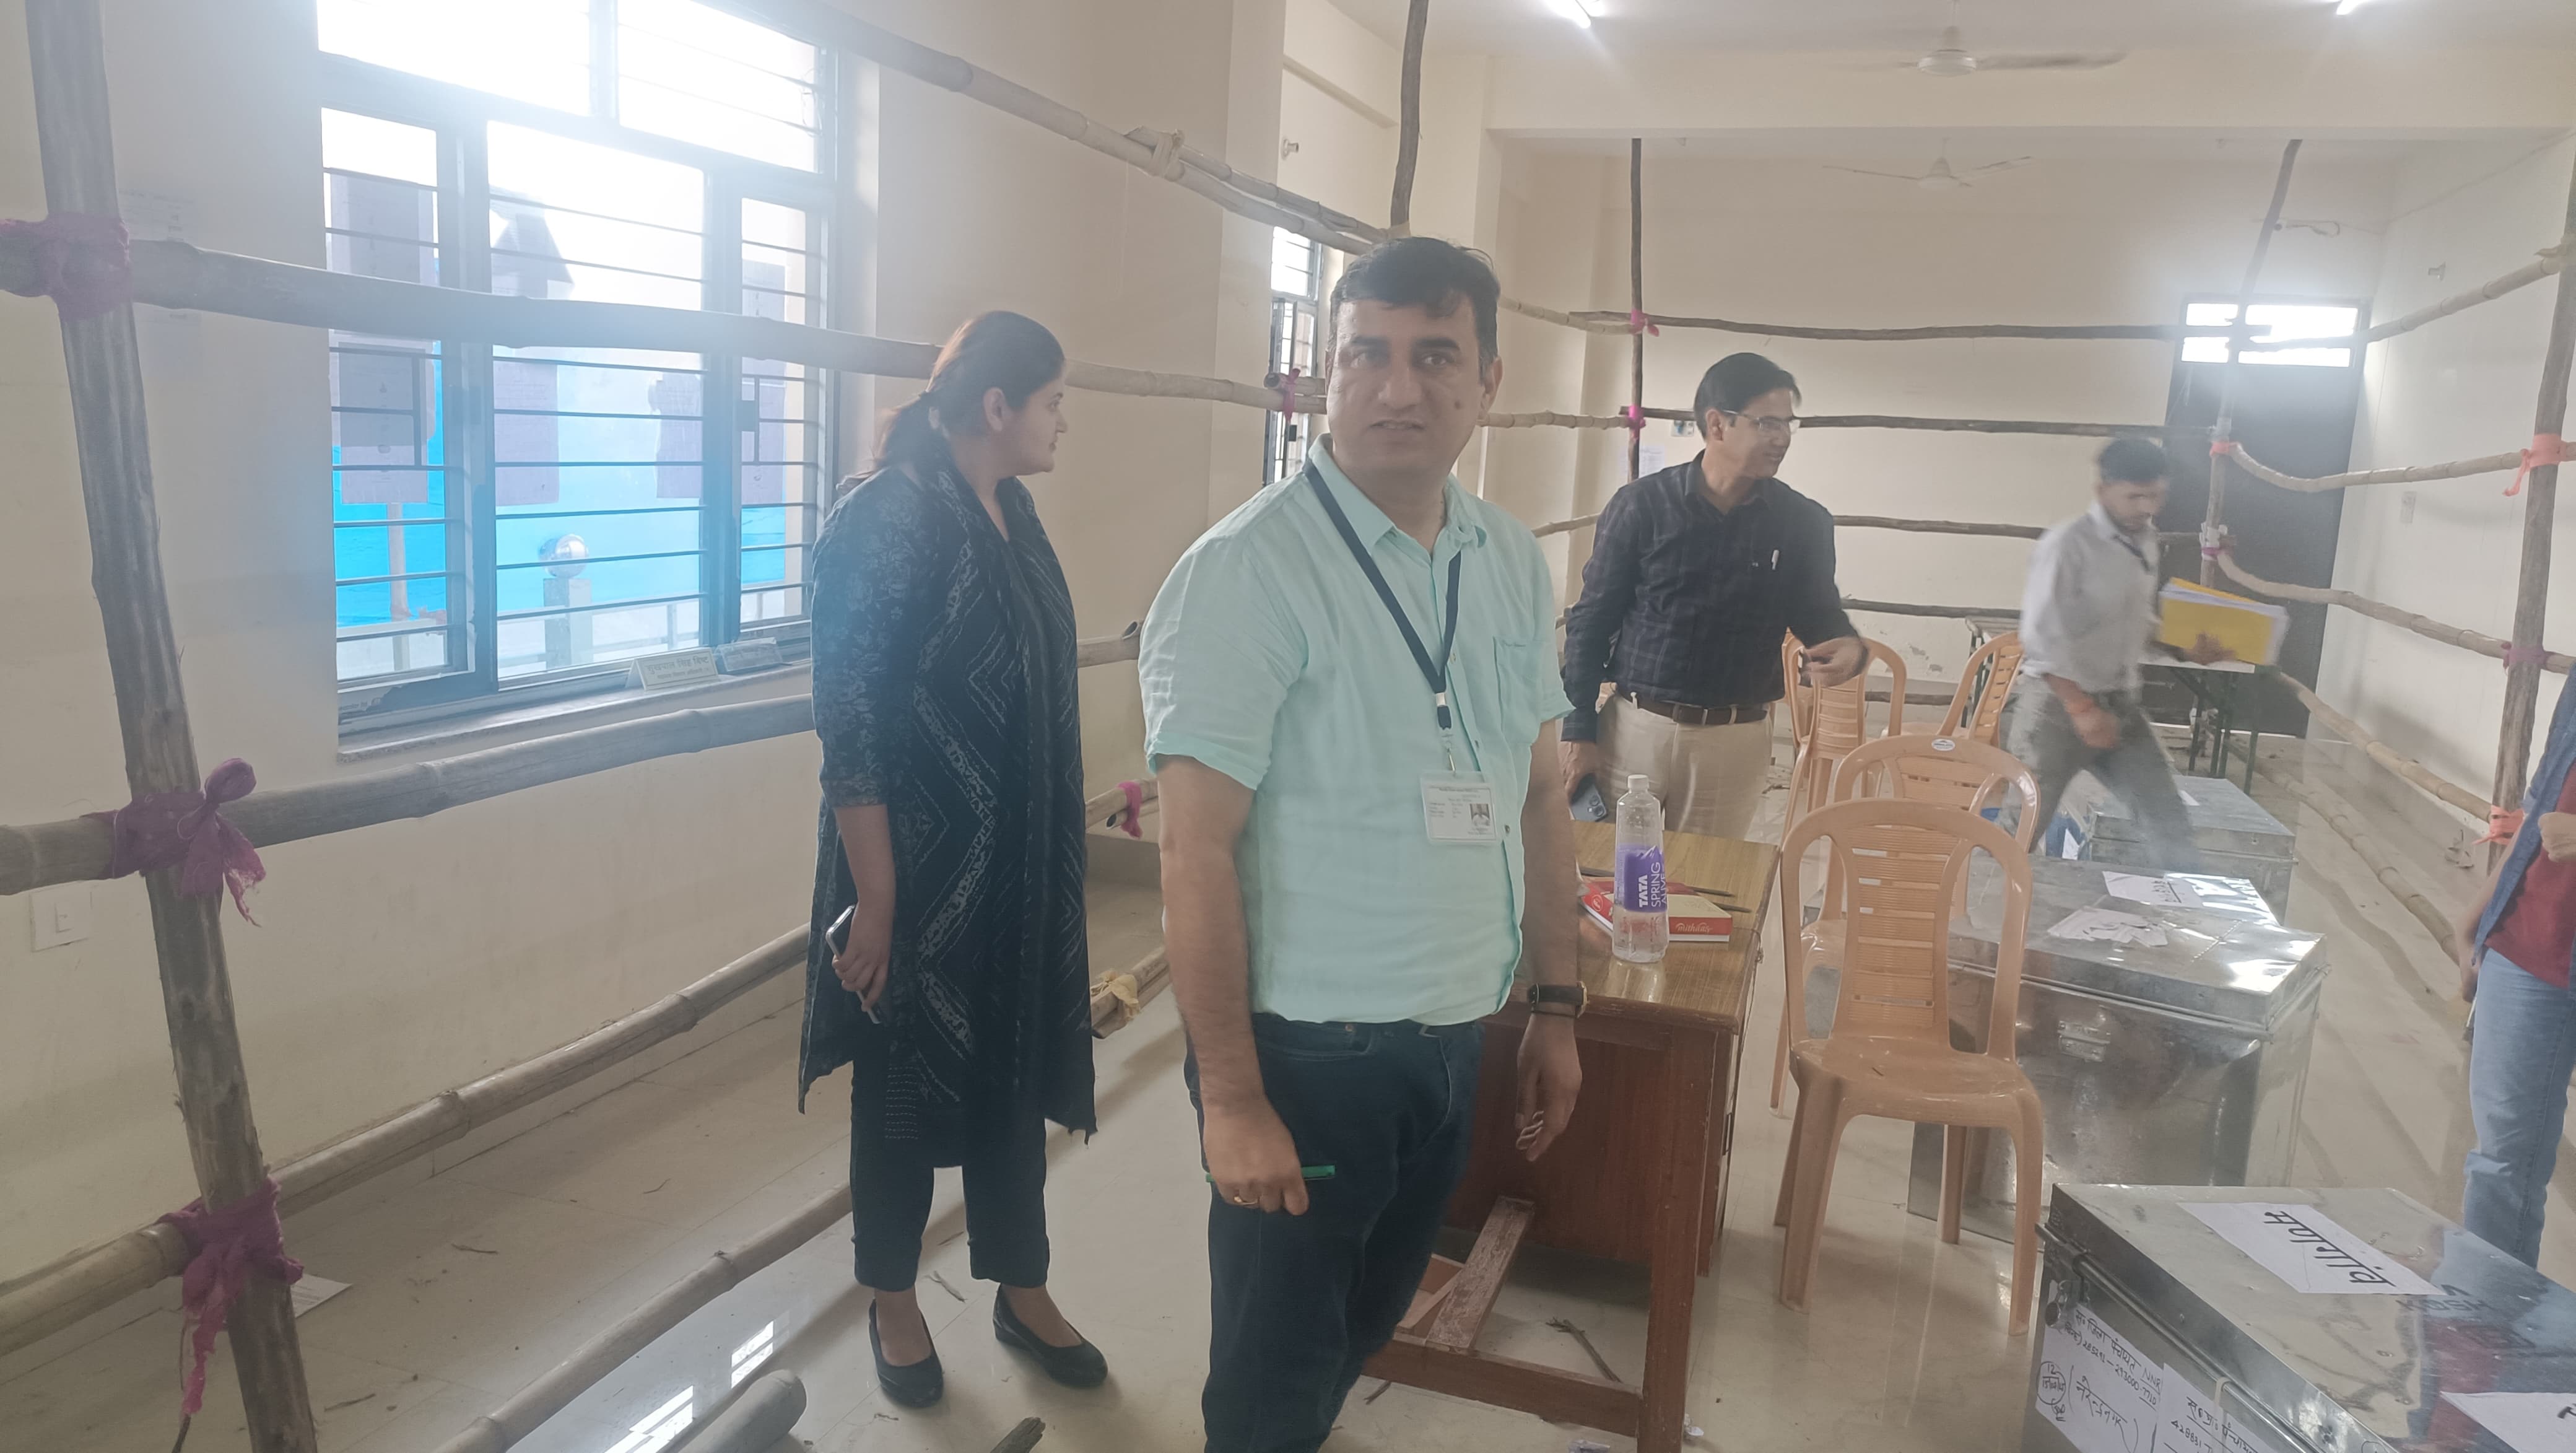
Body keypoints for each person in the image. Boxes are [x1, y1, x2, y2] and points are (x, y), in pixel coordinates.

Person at [1140, 237, 1586, 1453]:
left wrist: (1555, 1006)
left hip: (1453, 1035)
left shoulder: (1505, 559)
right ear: (1320, 377)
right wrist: (1233, 1097)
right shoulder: (1246, 573)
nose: (1397, 388)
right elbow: (1193, 854)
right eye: (1365, 356)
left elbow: (1539, 794)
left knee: (1369, 1318)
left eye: (1434, 356)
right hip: (1307, 1054)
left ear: (1488, 379)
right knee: (1275, 1371)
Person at [800, 311, 1108, 1408]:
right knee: (900, 1088)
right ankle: (892, 1298)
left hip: (1015, 871)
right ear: (997, 406)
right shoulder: (885, 517)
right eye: (1054, 402)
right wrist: (879, 898)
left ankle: (1022, 1287)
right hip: (915, 871)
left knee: (1010, 1076)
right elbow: (850, 723)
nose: (1063, 422)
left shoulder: (1009, 508)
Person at [1558, 352, 1868, 839]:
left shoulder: (1802, 522)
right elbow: (1591, 621)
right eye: (1767, 423)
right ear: (1718, 424)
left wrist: (1850, 647)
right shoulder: (1643, 506)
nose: (1782, 438)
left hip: (1735, 740)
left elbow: (1819, 614)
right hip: (1636, 728)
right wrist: (1577, 729)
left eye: (1788, 424)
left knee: (1707, 880)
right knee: (1607, 871)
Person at [2011, 436, 2226, 869]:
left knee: (2167, 821)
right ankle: (1981, 909)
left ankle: (2182, 908)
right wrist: (2081, 708)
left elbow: (2136, 620)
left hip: (2121, 706)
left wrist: (2182, 648)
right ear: (2102, 490)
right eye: (2135, 496)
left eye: (2157, 496)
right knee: (2020, 830)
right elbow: (2040, 637)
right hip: (2056, 710)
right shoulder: (2068, 544)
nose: (2148, 507)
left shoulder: (2145, 541)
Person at [2458, 682, 2576, 1265]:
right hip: (2526, 944)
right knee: (2500, 1165)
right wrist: (2477, 919)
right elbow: (2541, 807)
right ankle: (2487, 1316)